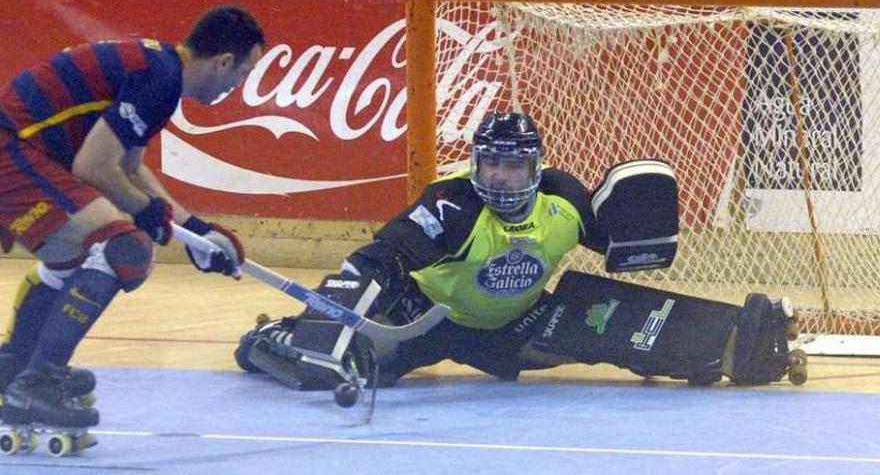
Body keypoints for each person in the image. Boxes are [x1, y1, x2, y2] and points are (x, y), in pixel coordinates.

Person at [234, 112, 800, 392]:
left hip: (516, 321)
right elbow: (375, 261)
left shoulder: (565, 198)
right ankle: (271, 340)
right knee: (345, 372)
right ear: (476, 162)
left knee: (615, 330)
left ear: (536, 166)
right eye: (490, 164)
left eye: (513, 166)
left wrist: (640, 227)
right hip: (424, 318)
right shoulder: (450, 205)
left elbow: (618, 249)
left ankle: (732, 343)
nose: (500, 178)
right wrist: (325, 322)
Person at [0, 5, 264, 435]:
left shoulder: (160, 69)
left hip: (23, 150)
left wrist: (199, 233)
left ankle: (15, 369)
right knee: (123, 248)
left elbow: (128, 167)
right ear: (223, 62)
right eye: (244, 72)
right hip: (12, 150)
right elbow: (93, 166)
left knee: (73, 258)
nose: (240, 84)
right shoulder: (159, 78)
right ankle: (39, 380)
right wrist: (143, 212)